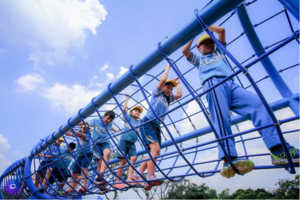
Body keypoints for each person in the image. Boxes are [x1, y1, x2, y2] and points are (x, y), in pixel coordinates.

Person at [182, 25, 299, 178]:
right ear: (198, 47)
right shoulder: (199, 60)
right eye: (205, 43)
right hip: (213, 84)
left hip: (231, 84)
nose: (209, 44)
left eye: (211, 42)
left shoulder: (220, 53)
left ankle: (278, 150)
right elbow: (185, 51)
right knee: (222, 118)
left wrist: (206, 25)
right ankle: (228, 157)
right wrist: (196, 30)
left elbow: (222, 31)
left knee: (259, 104)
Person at [131, 64, 182, 190]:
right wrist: (167, 70)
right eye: (168, 87)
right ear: (162, 87)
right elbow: (163, 80)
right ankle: (150, 176)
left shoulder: (168, 98)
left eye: (171, 89)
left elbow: (179, 95)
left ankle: (138, 173)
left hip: (156, 125)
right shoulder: (157, 93)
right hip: (148, 122)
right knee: (155, 148)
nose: (170, 90)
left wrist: (178, 83)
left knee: (156, 152)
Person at [78, 110, 119, 187]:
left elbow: (111, 127)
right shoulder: (96, 121)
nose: (108, 121)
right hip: (96, 144)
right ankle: (99, 181)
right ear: (104, 115)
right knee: (99, 163)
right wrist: (76, 124)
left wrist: (116, 130)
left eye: (110, 120)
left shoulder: (109, 124)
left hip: (105, 142)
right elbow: (86, 123)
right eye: (107, 118)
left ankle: (101, 175)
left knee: (107, 153)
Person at [113, 95, 143, 189]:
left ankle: (129, 178)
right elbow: (124, 110)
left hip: (132, 143)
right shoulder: (128, 118)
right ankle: (118, 179)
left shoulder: (139, 122)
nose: (137, 112)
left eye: (139, 112)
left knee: (133, 158)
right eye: (135, 110)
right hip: (124, 141)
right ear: (131, 113)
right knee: (123, 160)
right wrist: (126, 100)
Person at [65, 125, 93, 193]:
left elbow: (80, 135)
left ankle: (85, 185)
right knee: (75, 172)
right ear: (81, 128)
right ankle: (72, 188)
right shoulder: (77, 135)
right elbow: (68, 134)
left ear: (88, 129)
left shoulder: (87, 135)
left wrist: (72, 130)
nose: (84, 129)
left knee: (83, 168)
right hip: (79, 156)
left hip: (87, 155)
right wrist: (66, 129)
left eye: (86, 128)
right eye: (82, 128)